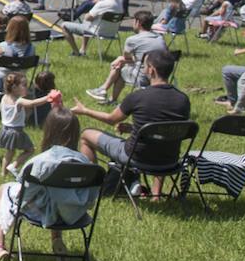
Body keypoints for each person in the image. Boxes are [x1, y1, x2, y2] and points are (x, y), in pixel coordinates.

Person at [70, 48, 190, 198]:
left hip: (136, 157)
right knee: (164, 142)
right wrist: (134, 128)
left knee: (86, 135)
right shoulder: (183, 100)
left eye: (145, 66)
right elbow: (167, 129)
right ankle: (156, 194)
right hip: (169, 161)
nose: (144, 69)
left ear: (151, 70)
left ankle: (92, 187)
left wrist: (85, 110)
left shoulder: (138, 97)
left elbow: (111, 119)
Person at [0, 107, 97, 261]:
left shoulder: (41, 162)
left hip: (44, 215)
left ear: (49, 130)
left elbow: (23, 196)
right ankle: (56, 240)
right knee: (56, 193)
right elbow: (91, 200)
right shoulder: (85, 163)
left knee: (4, 189)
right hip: (74, 216)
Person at [85, 11, 166, 105]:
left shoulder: (133, 40)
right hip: (162, 75)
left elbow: (126, 57)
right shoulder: (160, 38)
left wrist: (120, 58)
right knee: (122, 64)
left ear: (138, 23)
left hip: (143, 77)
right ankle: (108, 96)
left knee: (119, 67)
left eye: (133, 21)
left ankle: (104, 91)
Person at [0, 72, 47, 178]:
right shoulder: (19, 101)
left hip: (5, 130)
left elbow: (1, 109)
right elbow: (33, 103)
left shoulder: (4, 98)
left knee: (9, 152)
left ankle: (3, 173)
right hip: (16, 131)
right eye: (24, 85)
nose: (26, 88)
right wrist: (48, 98)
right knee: (30, 150)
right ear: (14, 87)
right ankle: (14, 166)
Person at [56, 0, 122, 56]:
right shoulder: (120, 4)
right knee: (88, 22)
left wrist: (96, 4)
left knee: (64, 25)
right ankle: (83, 49)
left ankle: (76, 52)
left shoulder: (102, 3)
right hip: (112, 32)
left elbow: (87, 17)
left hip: (97, 31)